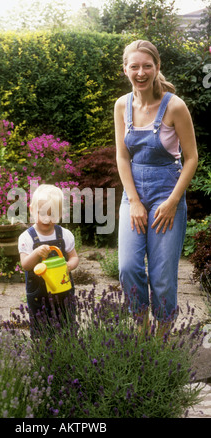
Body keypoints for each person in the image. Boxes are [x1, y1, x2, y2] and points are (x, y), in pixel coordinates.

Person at [114, 40, 198, 324]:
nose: (141, 72)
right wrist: (134, 201)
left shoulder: (175, 107)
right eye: (134, 66)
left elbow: (191, 158)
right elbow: (123, 157)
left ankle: (162, 344)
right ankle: (140, 329)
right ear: (125, 69)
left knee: (162, 276)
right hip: (133, 194)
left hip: (167, 193)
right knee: (127, 267)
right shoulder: (121, 106)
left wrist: (173, 202)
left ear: (157, 67)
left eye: (147, 66)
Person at [18, 184, 79, 334]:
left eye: (52, 214)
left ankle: (68, 349)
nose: (47, 219)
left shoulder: (64, 234)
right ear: (32, 210)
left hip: (63, 289)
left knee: (67, 323)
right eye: (42, 213)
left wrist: (69, 266)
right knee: (41, 327)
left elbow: (74, 257)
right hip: (39, 294)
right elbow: (25, 265)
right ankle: (43, 353)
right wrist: (37, 253)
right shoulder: (27, 237)